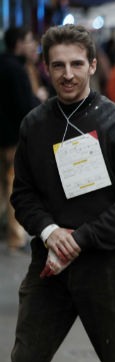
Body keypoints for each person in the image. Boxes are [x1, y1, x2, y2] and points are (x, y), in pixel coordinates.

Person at [2, 24, 115, 362]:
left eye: (75, 64)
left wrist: (81, 239)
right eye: (58, 66)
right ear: (46, 68)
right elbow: (22, 194)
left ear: (91, 65)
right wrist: (50, 231)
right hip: (49, 265)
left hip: (108, 267)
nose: (67, 74)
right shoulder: (34, 125)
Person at [0, 26, 39, 254]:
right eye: (29, 40)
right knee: (15, 187)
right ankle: (16, 238)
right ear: (18, 44)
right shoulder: (17, 70)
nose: (33, 45)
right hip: (13, 138)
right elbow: (24, 106)